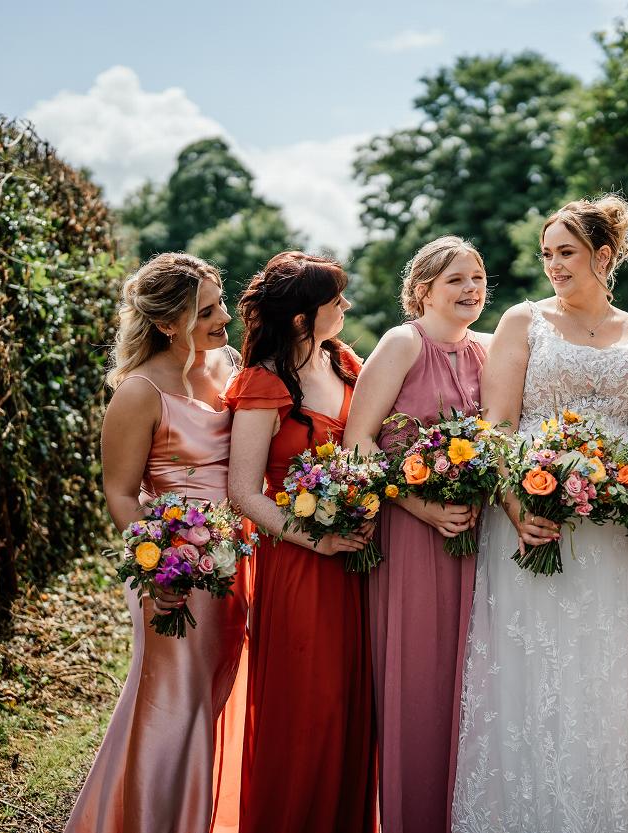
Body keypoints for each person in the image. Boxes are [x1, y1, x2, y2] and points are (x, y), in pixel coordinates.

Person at [451, 195, 628, 832]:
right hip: (533, 520)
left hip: (617, 530)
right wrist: (517, 505)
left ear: (603, 256)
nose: (553, 265)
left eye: (566, 253)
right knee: (536, 674)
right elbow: (498, 427)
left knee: (615, 677)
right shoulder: (523, 322)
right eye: (547, 255)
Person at [67, 254, 248, 833]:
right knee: (173, 699)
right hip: (173, 568)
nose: (224, 318)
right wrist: (162, 566)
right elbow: (120, 494)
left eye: (221, 303)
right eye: (207, 311)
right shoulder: (140, 392)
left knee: (221, 686)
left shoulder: (230, 366)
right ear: (169, 322)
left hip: (236, 557)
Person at [225, 252, 378, 833]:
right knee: (309, 707)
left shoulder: (344, 363)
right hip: (300, 564)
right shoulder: (263, 381)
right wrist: (319, 540)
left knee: (349, 708)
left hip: (359, 561)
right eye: (336, 301)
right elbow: (244, 491)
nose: (346, 308)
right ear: (299, 318)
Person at [343, 236, 490, 833]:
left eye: (479, 278)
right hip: (410, 538)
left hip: (479, 538)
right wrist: (422, 507)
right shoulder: (403, 342)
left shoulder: (487, 349)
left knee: (472, 684)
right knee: (421, 684)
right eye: (457, 279)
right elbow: (357, 439)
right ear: (423, 288)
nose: (472, 289)